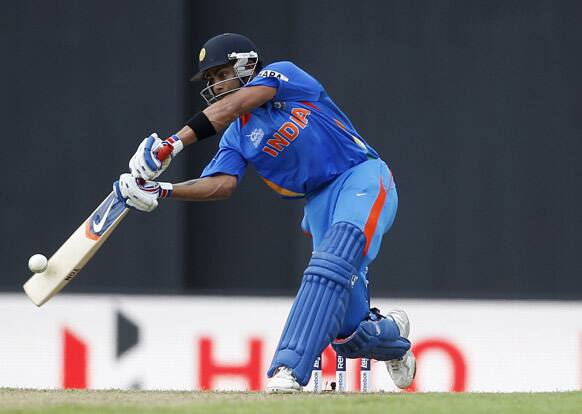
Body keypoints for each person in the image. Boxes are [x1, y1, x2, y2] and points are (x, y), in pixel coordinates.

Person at [114, 33, 416, 393]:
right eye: (208, 80)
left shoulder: (282, 78)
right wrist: (163, 190)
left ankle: (287, 368)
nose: (214, 85)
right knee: (346, 331)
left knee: (331, 262)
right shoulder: (236, 137)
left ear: (245, 65)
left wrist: (170, 145)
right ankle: (394, 337)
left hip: (359, 175)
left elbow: (230, 107)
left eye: (219, 73)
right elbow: (220, 184)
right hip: (318, 200)